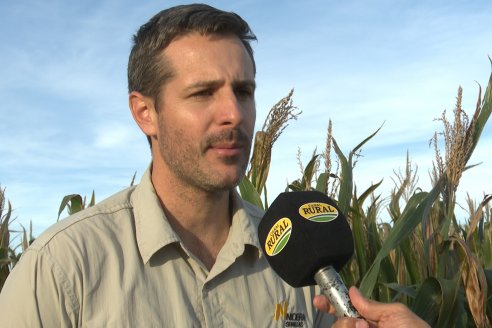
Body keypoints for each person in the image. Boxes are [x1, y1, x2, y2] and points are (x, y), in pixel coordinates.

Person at [0, 4, 429, 327]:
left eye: (243, 91)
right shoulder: (62, 269)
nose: (234, 114)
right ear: (145, 112)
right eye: (203, 93)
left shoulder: (294, 257)